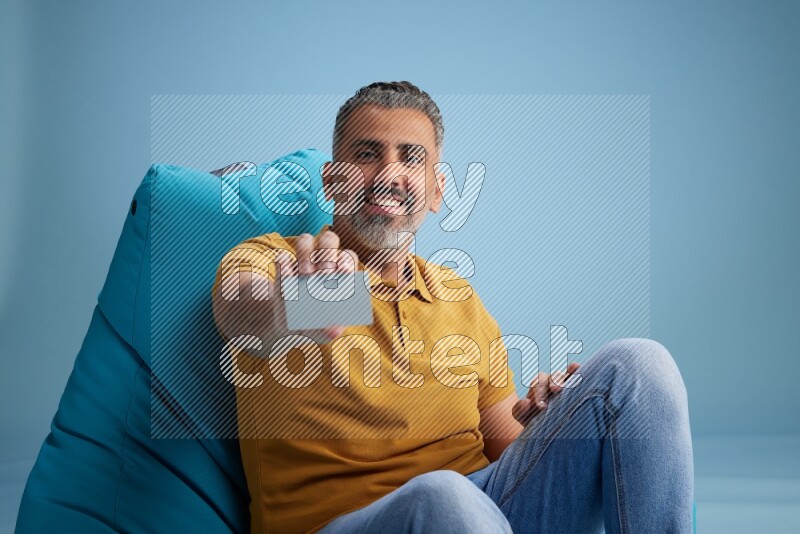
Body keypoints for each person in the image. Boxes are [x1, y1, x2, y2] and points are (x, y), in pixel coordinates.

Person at [212, 81, 693, 533]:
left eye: (410, 158)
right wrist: (300, 303)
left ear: (438, 190)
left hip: (481, 510)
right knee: (442, 495)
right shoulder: (277, 259)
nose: (388, 175)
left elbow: (505, 442)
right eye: (366, 154)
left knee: (638, 365)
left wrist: (546, 418)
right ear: (332, 181)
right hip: (348, 523)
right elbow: (237, 311)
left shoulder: (457, 297)